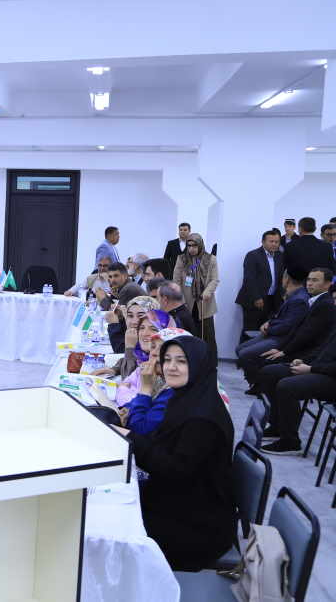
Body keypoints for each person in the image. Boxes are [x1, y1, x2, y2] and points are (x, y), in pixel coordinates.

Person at [120, 336, 236, 571]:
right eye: (167, 360)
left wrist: (130, 437)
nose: (171, 367)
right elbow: (160, 445)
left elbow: (173, 470)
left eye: (182, 361)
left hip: (197, 526)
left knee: (118, 532)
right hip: (181, 500)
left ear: (199, 365)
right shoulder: (187, 397)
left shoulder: (202, 419)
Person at [259, 323, 336, 455]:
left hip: (331, 379)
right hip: (320, 369)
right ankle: (278, 426)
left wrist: (311, 369)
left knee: (287, 387)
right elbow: (323, 350)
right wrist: (304, 361)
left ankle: (290, 442)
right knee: (269, 373)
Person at [249, 268, 335, 380]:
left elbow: (307, 334)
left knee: (261, 361)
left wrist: (284, 351)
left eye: (315, 280)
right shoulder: (315, 300)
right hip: (297, 347)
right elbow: (297, 329)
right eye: (308, 279)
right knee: (260, 357)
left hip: (308, 352)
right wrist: (281, 349)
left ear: (327, 284)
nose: (309, 283)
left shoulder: (325, 304)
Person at [235, 271, 308, 383]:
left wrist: (269, 329)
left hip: (281, 338)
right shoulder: (293, 295)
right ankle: (256, 381)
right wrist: (269, 322)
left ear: (287, 279)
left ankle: (258, 383)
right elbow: (281, 316)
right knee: (239, 349)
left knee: (245, 354)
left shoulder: (299, 299)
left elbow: (287, 326)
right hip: (274, 333)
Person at [173, 233, 219, 364]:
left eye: (195, 246)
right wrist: (181, 300)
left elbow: (215, 279)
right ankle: (189, 363)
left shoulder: (210, 259)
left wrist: (207, 292)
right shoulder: (182, 259)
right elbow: (176, 281)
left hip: (205, 303)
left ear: (200, 245)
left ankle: (210, 365)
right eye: (189, 245)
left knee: (207, 336)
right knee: (189, 335)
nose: (192, 249)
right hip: (187, 304)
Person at [92, 295, 160, 379]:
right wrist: (115, 369)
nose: (134, 321)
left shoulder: (156, 342)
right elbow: (135, 362)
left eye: (140, 316)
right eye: (130, 316)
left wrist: (130, 348)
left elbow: (129, 379)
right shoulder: (139, 340)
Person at [235, 229, 285, 338]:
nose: (274, 244)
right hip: (254, 299)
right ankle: (244, 349)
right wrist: (256, 297)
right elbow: (249, 278)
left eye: (277, 242)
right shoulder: (253, 255)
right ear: (263, 242)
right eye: (271, 241)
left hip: (272, 300)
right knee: (250, 331)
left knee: (265, 331)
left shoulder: (280, 256)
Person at [98, 263, 145, 353]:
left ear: (125, 276)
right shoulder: (127, 286)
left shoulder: (128, 289)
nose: (112, 280)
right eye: (110, 277)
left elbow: (116, 315)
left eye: (116, 276)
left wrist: (102, 299)